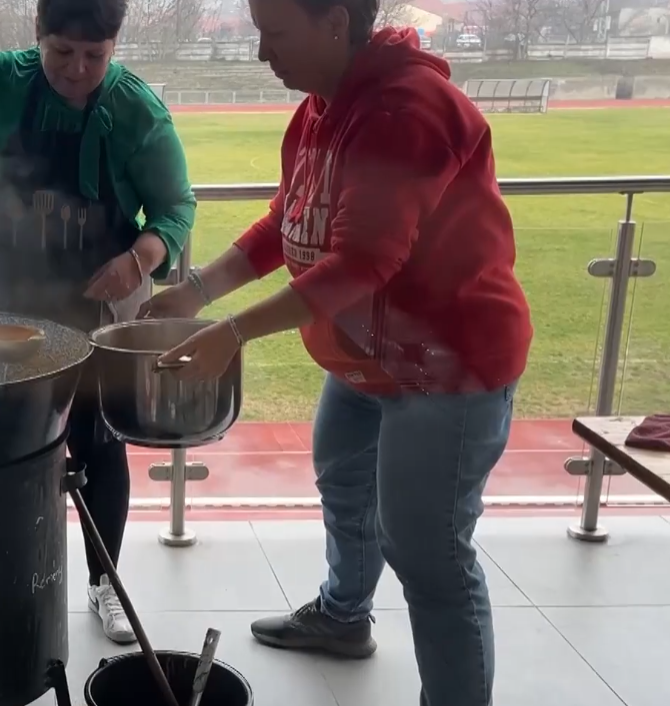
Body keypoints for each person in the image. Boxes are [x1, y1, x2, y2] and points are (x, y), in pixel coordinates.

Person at [140, 2, 533, 704]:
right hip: (366, 356)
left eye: (276, 34)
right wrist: (195, 292)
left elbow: (361, 263)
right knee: (344, 485)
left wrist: (232, 333)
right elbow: (284, 221)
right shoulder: (318, 111)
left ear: (334, 21)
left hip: (447, 368)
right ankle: (343, 617)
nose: (263, 53)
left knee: (429, 553)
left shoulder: (406, 111)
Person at [0, 0, 195, 645]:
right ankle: (7, 575)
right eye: (62, 52)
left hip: (102, 307)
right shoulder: (2, 79)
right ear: (37, 35)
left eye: (95, 56)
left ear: (115, 46)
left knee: (99, 444)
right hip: (11, 303)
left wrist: (140, 259)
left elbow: (175, 210)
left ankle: (105, 584)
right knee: (8, 441)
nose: (77, 70)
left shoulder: (136, 110)